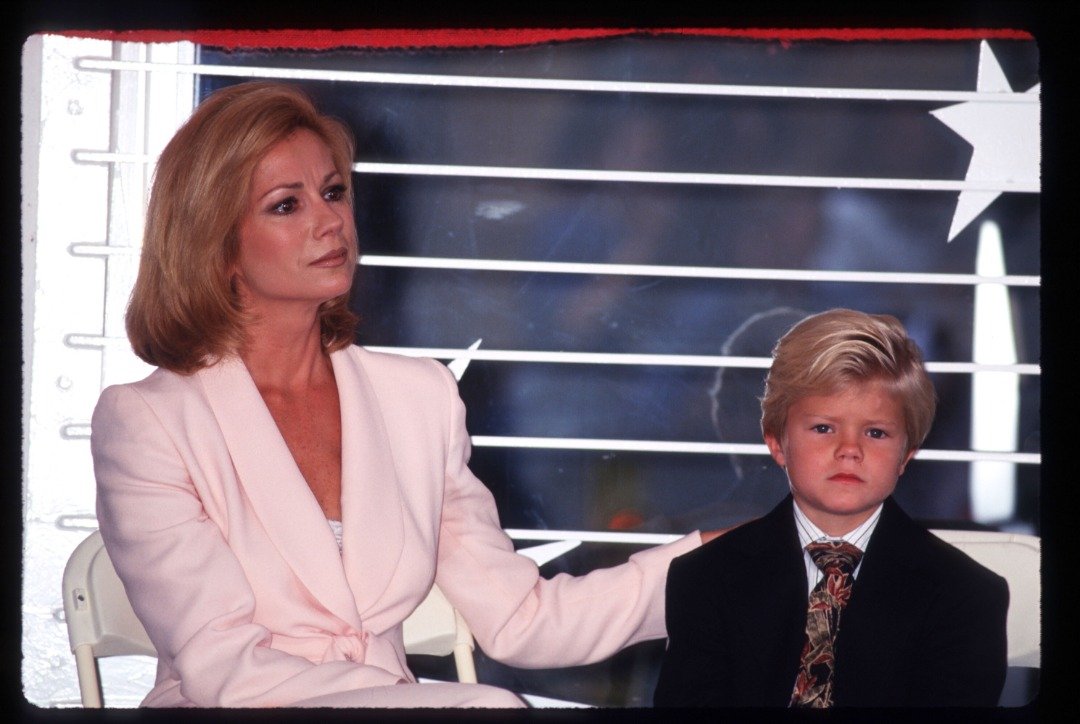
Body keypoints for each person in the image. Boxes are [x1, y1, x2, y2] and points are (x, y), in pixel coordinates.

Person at [89, 81, 707, 708]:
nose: (330, 220)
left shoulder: (419, 398)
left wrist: (715, 561)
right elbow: (224, 669)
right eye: (286, 205)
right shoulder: (146, 421)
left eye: (333, 192)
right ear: (216, 244)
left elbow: (524, 619)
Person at [653, 308, 1009, 707]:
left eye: (876, 432)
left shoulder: (967, 596)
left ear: (906, 454)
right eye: (824, 428)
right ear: (776, 441)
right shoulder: (704, 579)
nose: (850, 451)